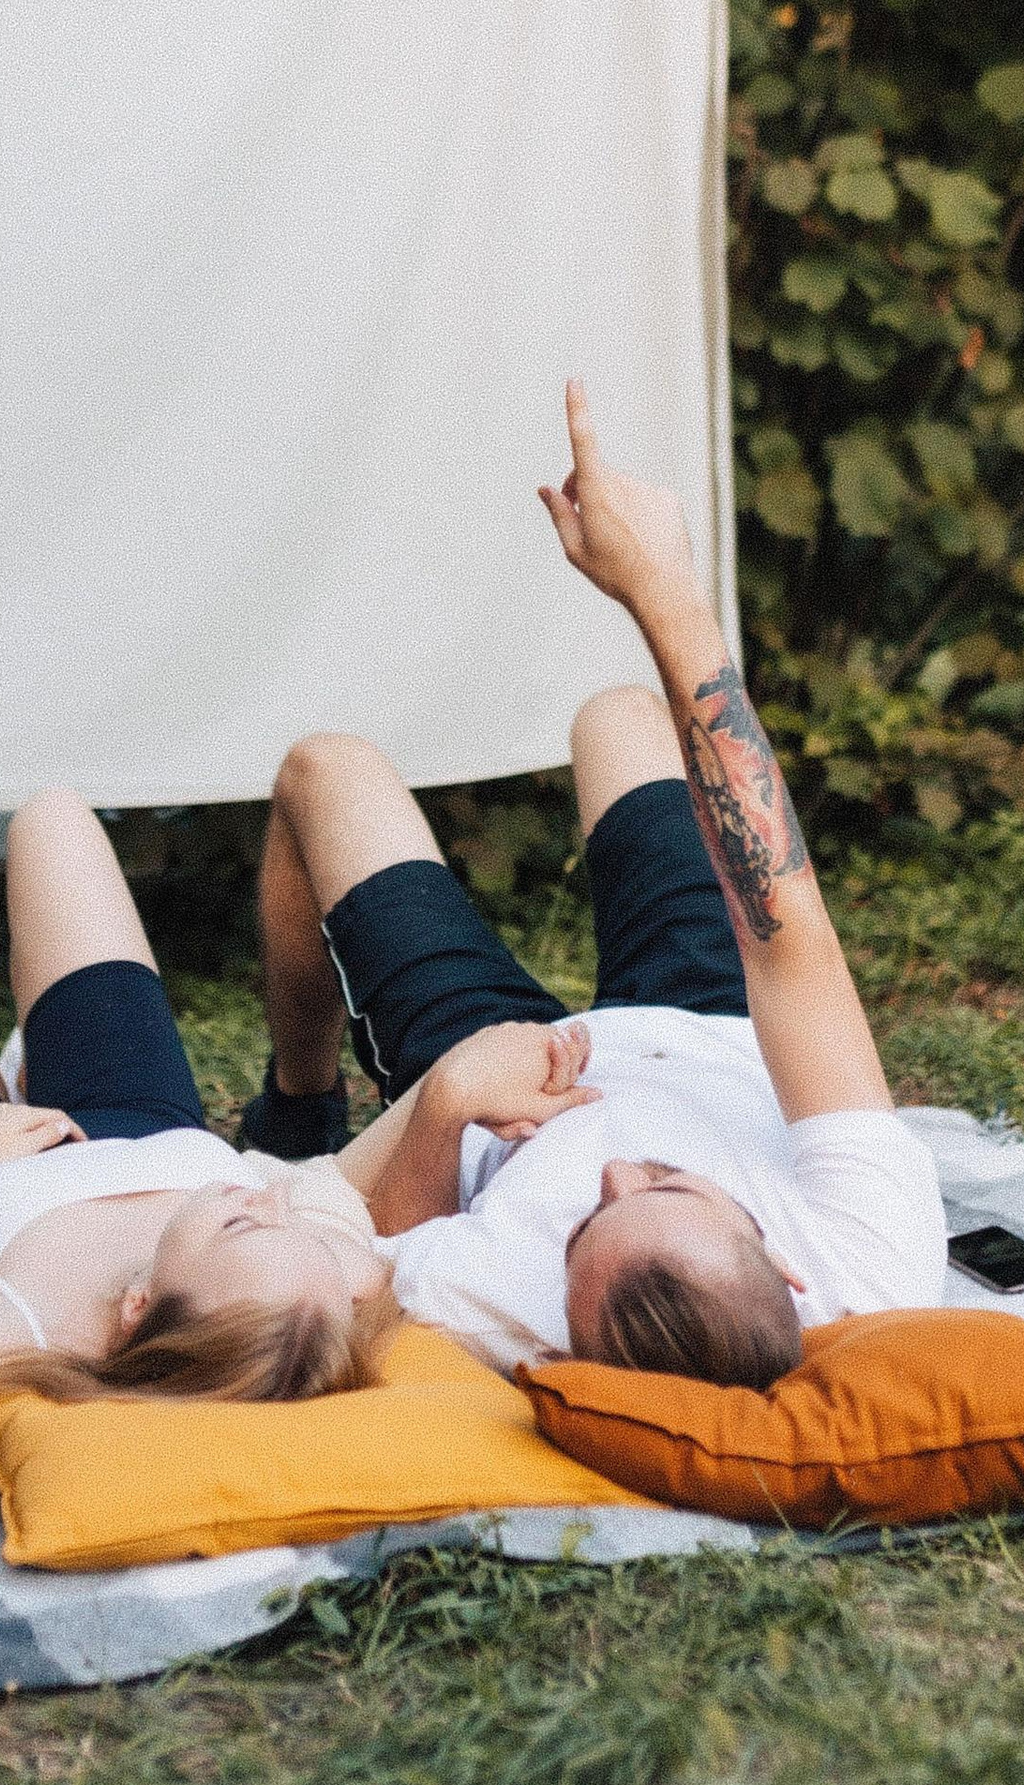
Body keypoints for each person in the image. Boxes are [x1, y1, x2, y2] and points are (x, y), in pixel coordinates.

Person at [241, 380, 946, 1384]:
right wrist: (666, 592)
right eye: (662, 1186)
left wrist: (445, 1109)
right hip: (711, 1023)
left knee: (327, 770)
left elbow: (373, 1228)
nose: (612, 1172)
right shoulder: (870, 1258)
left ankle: (295, 1097)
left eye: (584, 1224)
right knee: (618, 717)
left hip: (498, 1083)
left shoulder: (504, 1304)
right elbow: (786, 939)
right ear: (784, 1271)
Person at [0, 788, 599, 1469]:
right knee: (51, 822)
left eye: (237, 1220)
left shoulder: (7, 1336)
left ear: (139, 1304)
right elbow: (352, 1194)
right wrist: (453, 1094)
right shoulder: (314, 1286)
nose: (262, 1196)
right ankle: (32, 1057)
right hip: (142, 1118)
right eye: (284, 1223)